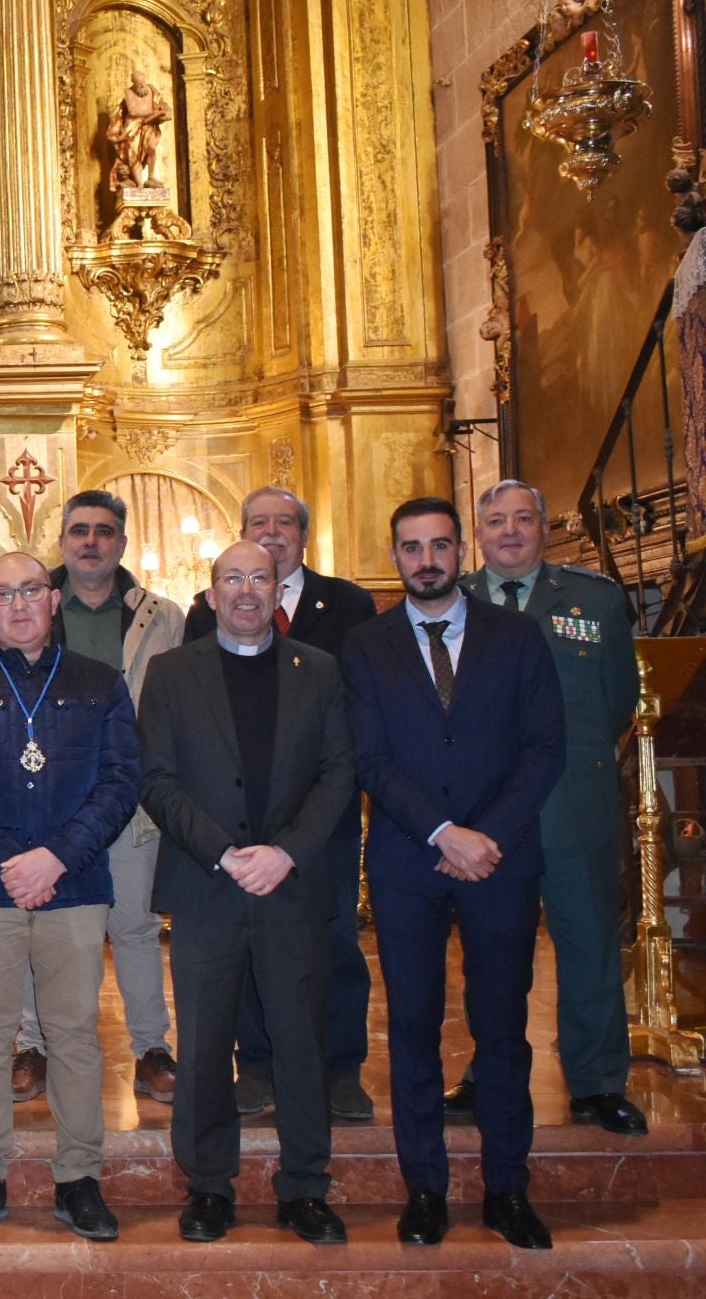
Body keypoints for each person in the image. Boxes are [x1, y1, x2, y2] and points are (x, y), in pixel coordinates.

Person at [343, 497, 565, 1250]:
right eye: (412, 547)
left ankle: (507, 1188)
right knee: (411, 1028)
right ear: (396, 554)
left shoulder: (518, 635)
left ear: (460, 550)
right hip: (409, 858)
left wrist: (483, 837)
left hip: (499, 860)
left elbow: (544, 750)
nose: (426, 559)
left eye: (440, 545)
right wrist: (441, 832)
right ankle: (426, 1189)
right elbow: (368, 757)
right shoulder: (366, 645)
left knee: (501, 1027)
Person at [0, 551, 140, 1242]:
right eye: (3, 592)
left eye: (31, 590)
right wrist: (8, 859)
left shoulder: (101, 683)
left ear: (53, 600)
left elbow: (122, 779)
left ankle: (79, 1178)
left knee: (74, 1033)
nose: (17, 603)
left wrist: (57, 856)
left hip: (74, 886)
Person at [141, 541, 354, 1246]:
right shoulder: (172, 673)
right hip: (209, 885)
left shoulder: (318, 670)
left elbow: (336, 772)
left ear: (276, 590)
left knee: (299, 1039)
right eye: (232, 578)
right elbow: (157, 779)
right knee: (203, 1044)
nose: (245, 591)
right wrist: (226, 853)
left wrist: (285, 852)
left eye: (258, 578)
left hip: (291, 886)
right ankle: (208, 1186)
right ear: (210, 592)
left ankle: (304, 1187)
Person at [445, 480, 645, 1135]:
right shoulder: (454, 600)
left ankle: (596, 1083)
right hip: (488, 814)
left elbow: (617, 700)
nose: (509, 531)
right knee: (491, 954)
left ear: (543, 528)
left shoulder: (595, 599)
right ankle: (487, 1075)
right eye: (495, 520)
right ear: (479, 533)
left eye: (522, 518)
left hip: (571, 808)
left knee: (589, 946)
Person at [182, 487, 378, 1121]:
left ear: (302, 534)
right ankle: (259, 1065)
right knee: (244, 953)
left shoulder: (347, 604)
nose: (271, 531)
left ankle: (340, 1067)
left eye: (283, 523)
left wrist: (303, 831)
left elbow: (354, 715)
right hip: (236, 826)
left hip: (320, 822)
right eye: (257, 523)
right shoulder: (203, 612)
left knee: (334, 943)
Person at [18, 491, 181, 1106]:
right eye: (80, 531)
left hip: (129, 799)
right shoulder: (31, 606)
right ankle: (34, 1044)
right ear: (61, 541)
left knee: (135, 928)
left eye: (104, 532)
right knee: (43, 929)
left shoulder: (160, 616)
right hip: (48, 801)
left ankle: (152, 1049)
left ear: (122, 542)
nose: (91, 541)